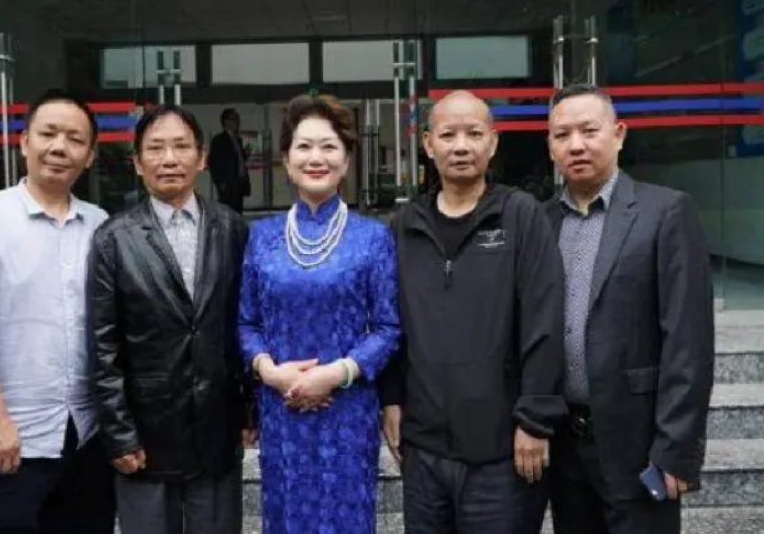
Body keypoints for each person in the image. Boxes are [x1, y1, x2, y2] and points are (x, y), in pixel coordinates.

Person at [379, 90, 566, 534]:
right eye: (448, 135)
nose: (461, 146)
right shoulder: (405, 226)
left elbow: (544, 321)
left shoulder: (520, 216)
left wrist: (535, 420)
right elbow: (389, 321)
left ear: (493, 142)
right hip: (423, 448)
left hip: (501, 450)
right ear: (428, 145)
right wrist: (390, 397)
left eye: (474, 134)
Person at [0, 89, 114, 534]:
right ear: (24, 142)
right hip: (13, 435)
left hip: (87, 433)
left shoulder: (100, 224)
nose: (59, 147)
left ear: (90, 156)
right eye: (48, 133)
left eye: (75, 139)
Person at [544, 83, 715, 534]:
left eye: (589, 131)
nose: (576, 145)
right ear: (550, 145)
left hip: (638, 442)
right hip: (565, 445)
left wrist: (677, 447)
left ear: (619, 134)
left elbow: (689, 342)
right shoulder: (542, 222)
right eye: (562, 135)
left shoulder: (665, 212)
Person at [88, 104, 255, 534]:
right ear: (137, 163)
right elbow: (103, 345)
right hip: (147, 432)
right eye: (155, 148)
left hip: (216, 426)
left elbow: (244, 325)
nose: (169, 158)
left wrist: (249, 410)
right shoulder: (113, 239)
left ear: (201, 159)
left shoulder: (233, 229)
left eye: (181, 146)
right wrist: (119, 433)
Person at [239, 93, 400, 533]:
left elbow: (387, 327)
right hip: (282, 408)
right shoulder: (262, 236)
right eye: (304, 146)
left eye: (329, 147)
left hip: (347, 409)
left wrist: (334, 374)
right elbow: (247, 321)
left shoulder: (373, 238)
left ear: (346, 160)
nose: (316, 158)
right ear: (286, 160)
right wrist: (272, 374)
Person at [209, 108, 251, 213]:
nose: (237, 122)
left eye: (237, 119)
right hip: (228, 185)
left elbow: (235, 160)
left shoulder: (237, 140)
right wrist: (220, 182)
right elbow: (213, 163)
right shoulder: (219, 140)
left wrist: (244, 155)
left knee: (238, 212)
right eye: (234, 119)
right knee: (228, 213)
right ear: (226, 122)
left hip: (239, 183)